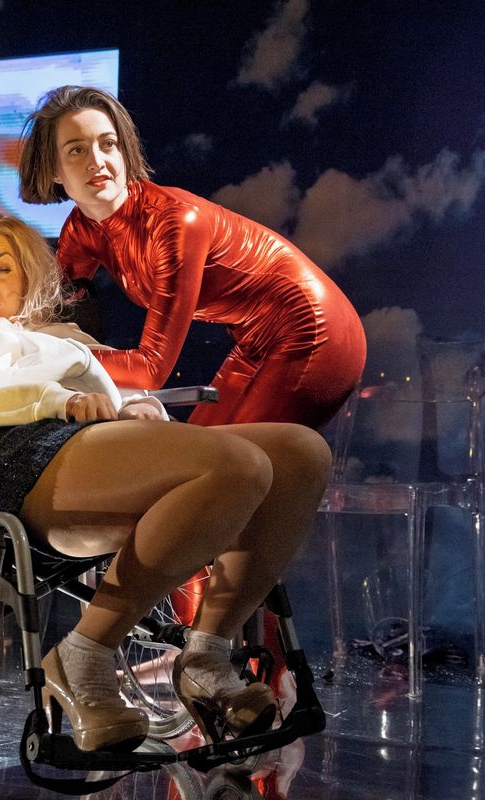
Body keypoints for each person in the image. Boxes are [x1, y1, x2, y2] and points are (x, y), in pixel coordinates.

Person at [0, 199, 333, 753]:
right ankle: (84, 653)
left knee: (300, 453)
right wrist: (60, 400)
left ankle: (206, 656)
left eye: (2, 268)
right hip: (14, 455)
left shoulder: (57, 334)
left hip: (94, 442)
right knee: (239, 465)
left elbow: (114, 384)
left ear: (28, 275)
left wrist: (142, 403)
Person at [19, 84, 367, 696]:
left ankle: (254, 670)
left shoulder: (174, 221)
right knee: (196, 486)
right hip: (254, 340)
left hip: (314, 330)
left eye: (108, 144)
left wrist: (45, 353)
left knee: (246, 487)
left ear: (126, 151)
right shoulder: (80, 231)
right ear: (52, 170)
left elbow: (151, 367)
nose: (98, 161)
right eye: (76, 150)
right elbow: (46, 314)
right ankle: (198, 653)